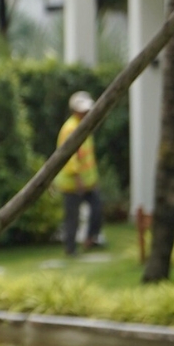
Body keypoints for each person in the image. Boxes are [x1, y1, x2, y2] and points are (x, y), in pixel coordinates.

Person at [56, 91, 104, 256]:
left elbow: (87, 156)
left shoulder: (85, 126)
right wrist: (77, 179)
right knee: (72, 217)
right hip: (73, 183)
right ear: (74, 110)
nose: (86, 113)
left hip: (88, 181)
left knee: (97, 208)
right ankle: (70, 249)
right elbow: (69, 157)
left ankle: (91, 239)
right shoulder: (70, 129)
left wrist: (93, 179)